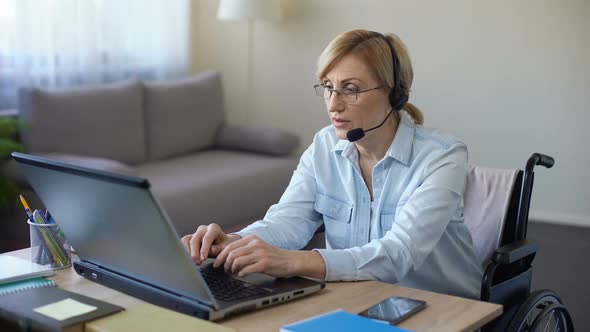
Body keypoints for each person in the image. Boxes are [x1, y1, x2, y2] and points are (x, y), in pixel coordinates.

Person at [182, 29, 483, 299]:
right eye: (327, 86)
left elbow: (397, 254)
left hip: (439, 305)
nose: (333, 104)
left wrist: (292, 261)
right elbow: (287, 221)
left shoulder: (442, 156)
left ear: (395, 94)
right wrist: (234, 242)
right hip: (356, 295)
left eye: (351, 89)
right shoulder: (324, 146)